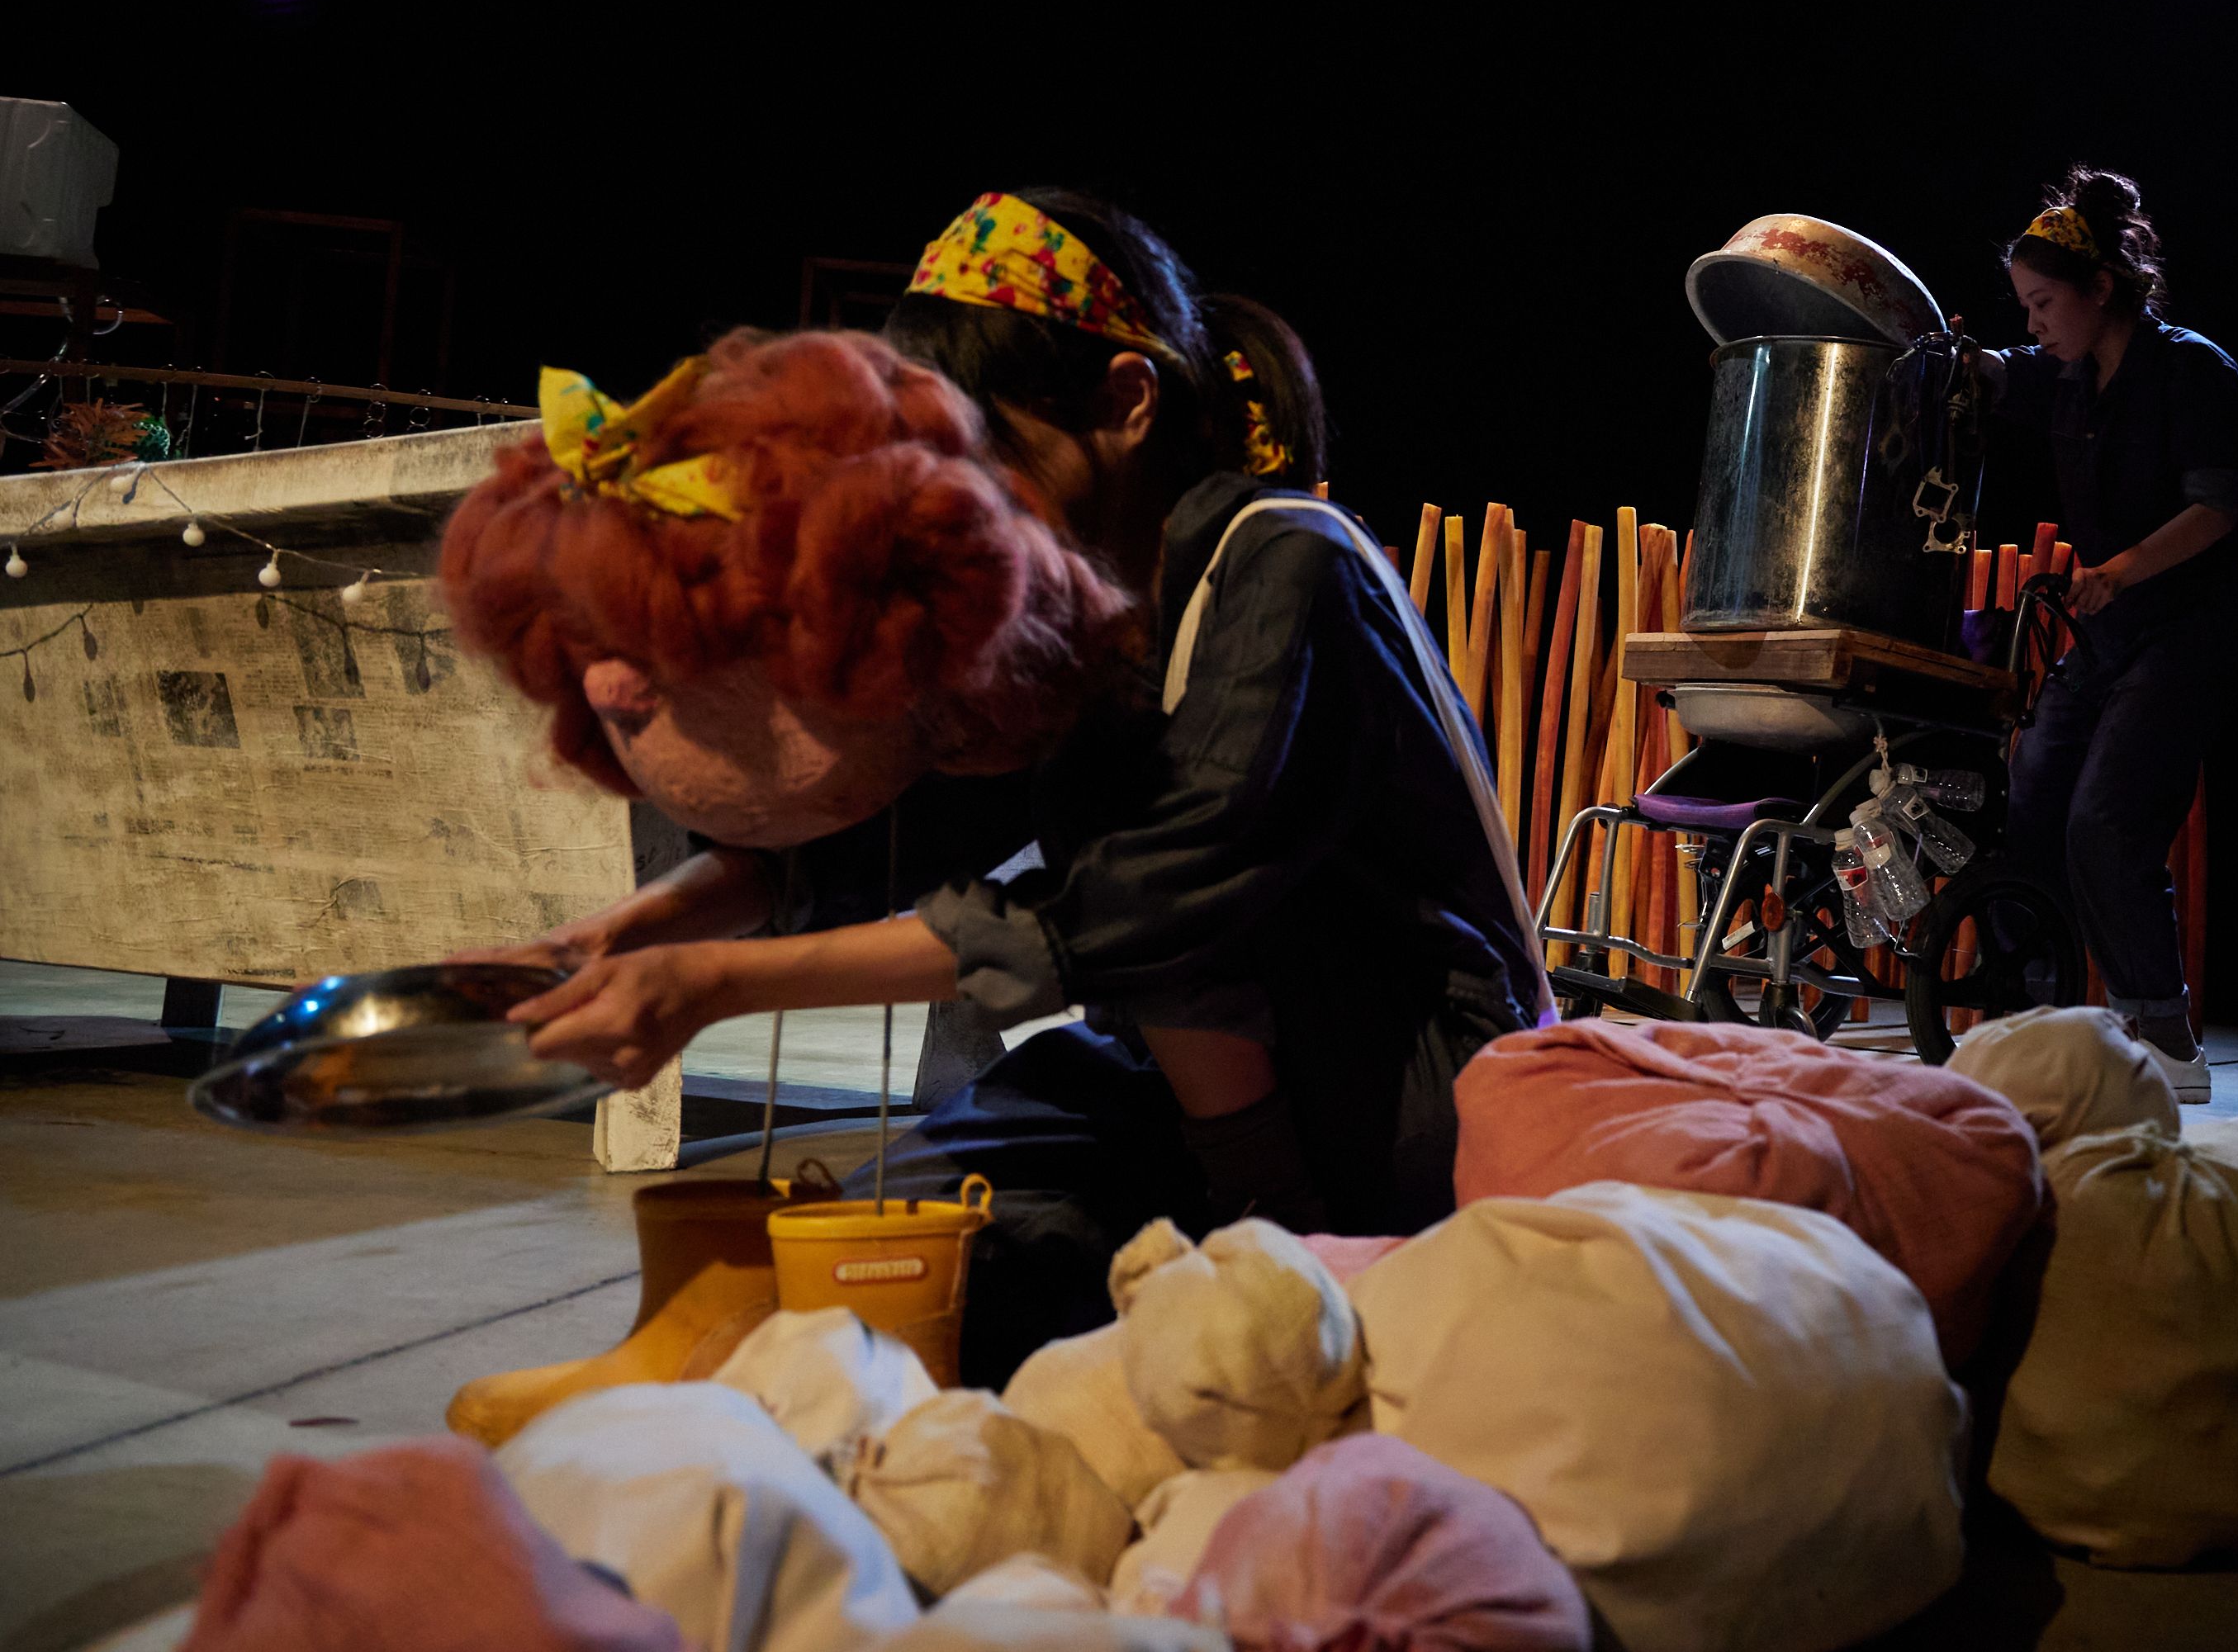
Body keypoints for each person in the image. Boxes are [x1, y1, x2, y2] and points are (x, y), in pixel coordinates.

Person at [448, 195, 1543, 1374]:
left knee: (1014, 1312)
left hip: (1394, 1086)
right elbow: (924, 821)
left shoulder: (1288, 561)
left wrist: (720, 983)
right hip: (1176, 1074)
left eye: (992, 453)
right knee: (872, 1267)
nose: (969, 496)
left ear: (1126, 402)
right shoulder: (1076, 618)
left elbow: (1157, 894)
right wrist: (646, 924)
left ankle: (1277, 1255)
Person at [1976, 167, 2238, 1098]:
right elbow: (2000, 371)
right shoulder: (2065, 379)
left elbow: (2219, 507)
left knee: (2107, 821)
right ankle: (2035, 1016)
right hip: (2111, 630)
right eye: (2024, 306)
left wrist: (2122, 569)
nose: (2033, 324)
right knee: (2027, 804)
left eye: (2044, 303)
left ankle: (2166, 1040)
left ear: (2101, 288)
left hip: (2189, 628)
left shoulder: (2193, 371)